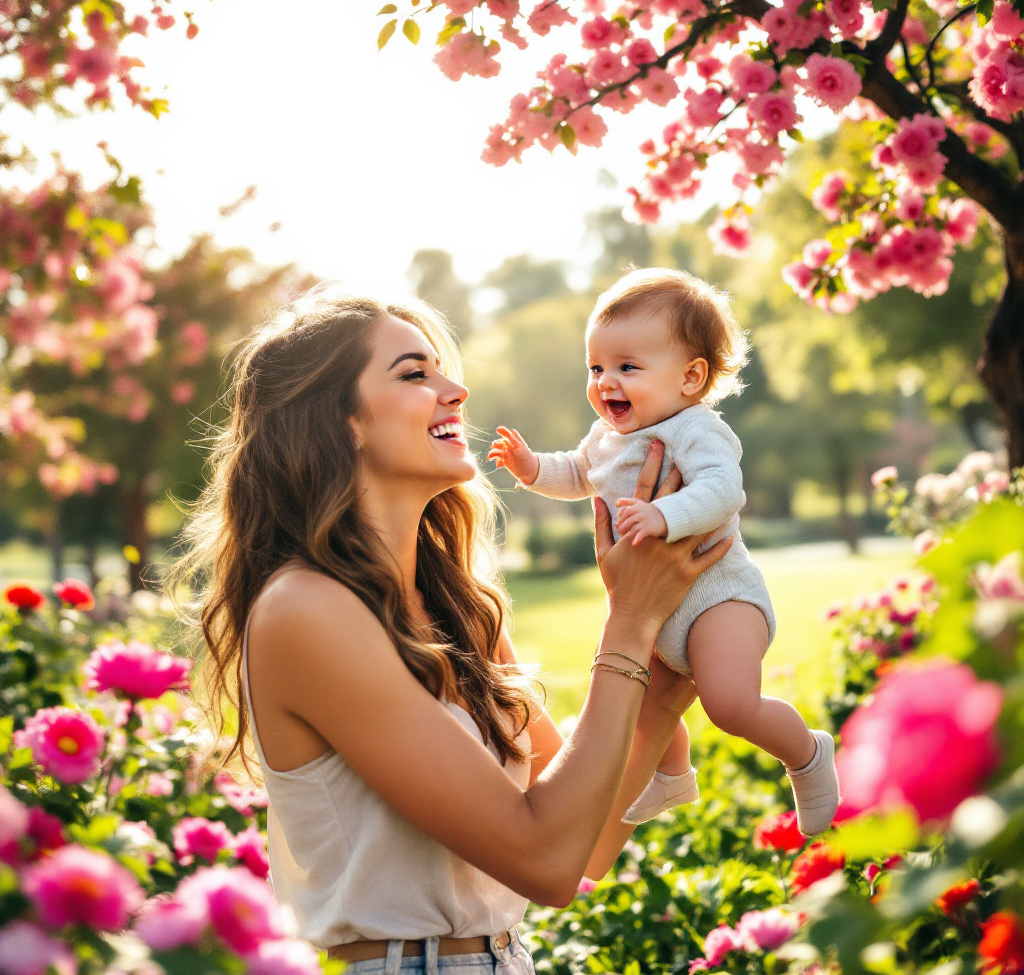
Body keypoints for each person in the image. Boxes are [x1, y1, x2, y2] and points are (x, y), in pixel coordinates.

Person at [167, 285, 732, 975]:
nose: (455, 389)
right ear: (339, 422)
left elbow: (584, 843)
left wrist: (667, 668)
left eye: (441, 368)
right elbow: (546, 862)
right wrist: (630, 623)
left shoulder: (456, 607)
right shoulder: (306, 611)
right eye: (415, 374)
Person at [488, 267, 841, 836]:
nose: (606, 382)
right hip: (655, 610)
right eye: (596, 367)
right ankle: (672, 775)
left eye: (627, 367)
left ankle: (806, 754)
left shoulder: (696, 430)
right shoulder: (606, 438)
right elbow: (580, 472)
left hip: (717, 599)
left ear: (690, 377)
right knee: (631, 705)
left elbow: (723, 491)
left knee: (730, 706)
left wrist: (664, 515)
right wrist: (533, 470)